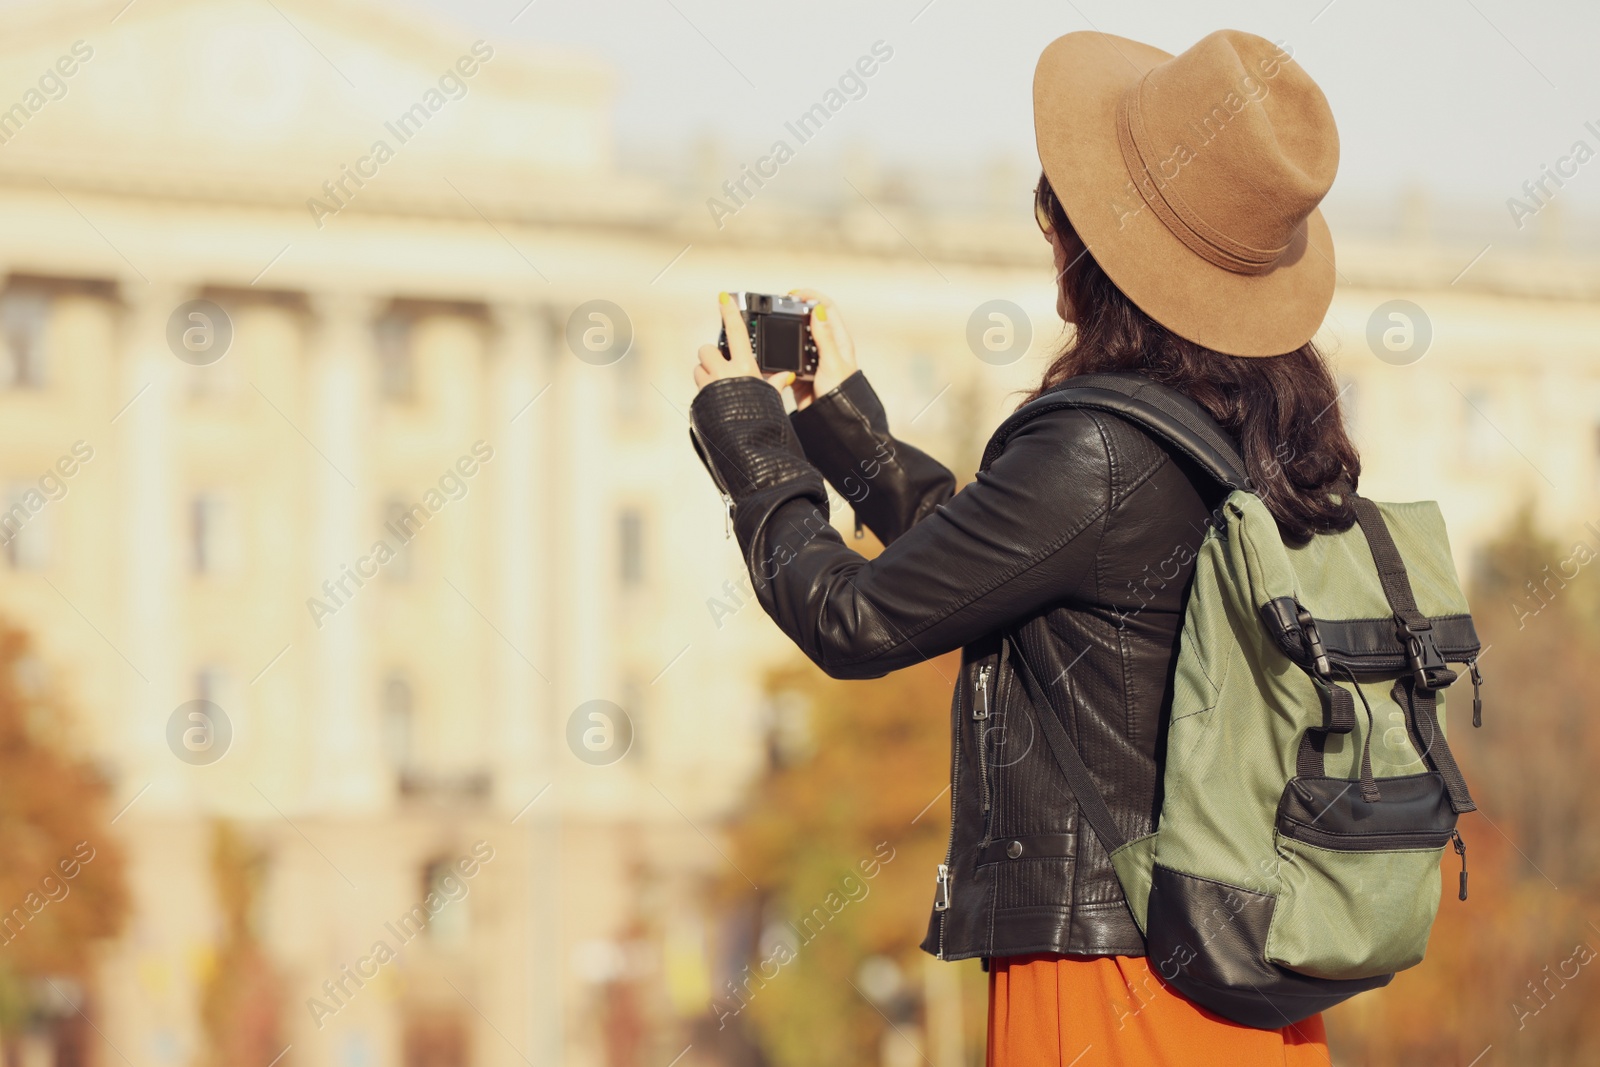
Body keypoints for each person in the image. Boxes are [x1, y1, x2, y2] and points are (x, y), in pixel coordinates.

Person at [689, 28, 1354, 1066]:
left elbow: (850, 618)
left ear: (1089, 245)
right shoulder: (1263, 433)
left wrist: (752, 442)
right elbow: (1006, 560)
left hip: (1109, 983)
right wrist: (840, 425)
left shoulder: (1096, 445)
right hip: (1246, 976)